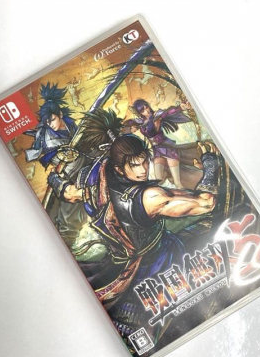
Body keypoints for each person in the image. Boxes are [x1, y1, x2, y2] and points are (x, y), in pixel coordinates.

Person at [47, 109, 220, 342]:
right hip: (162, 262)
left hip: (125, 267)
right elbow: (206, 203)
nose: (143, 170)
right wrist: (210, 165)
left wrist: (54, 179)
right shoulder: (150, 198)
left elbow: (69, 193)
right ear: (119, 168)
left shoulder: (95, 184)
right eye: (134, 165)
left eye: (144, 161)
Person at [24, 82, 86, 247]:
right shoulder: (47, 136)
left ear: (60, 114)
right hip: (65, 175)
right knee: (69, 215)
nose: (50, 124)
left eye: (52, 120)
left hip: (83, 165)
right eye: (47, 122)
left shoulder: (71, 125)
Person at [132, 98, 191, 189]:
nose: (146, 110)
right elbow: (131, 125)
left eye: (146, 107)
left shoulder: (157, 115)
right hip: (157, 150)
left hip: (167, 147)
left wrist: (180, 107)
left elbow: (168, 112)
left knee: (177, 183)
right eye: (142, 110)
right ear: (140, 113)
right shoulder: (141, 122)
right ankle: (167, 176)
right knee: (158, 183)